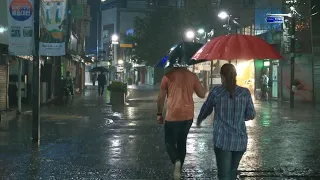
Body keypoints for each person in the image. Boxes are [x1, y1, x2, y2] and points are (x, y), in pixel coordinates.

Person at [197, 64, 255, 180]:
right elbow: (251, 114)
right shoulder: (245, 93)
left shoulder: (216, 92)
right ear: (235, 76)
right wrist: (238, 116)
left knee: (223, 175)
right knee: (232, 172)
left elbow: (206, 108)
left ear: (222, 76)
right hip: (240, 141)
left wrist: (199, 119)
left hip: (222, 140)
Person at [156, 67, 206, 180]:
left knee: (169, 142)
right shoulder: (192, 76)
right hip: (188, 116)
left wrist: (159, 114)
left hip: (172, 115)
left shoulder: (168, 76)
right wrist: (204, 86)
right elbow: (202, 94)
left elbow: (161, 98)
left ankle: (176, 161)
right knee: (182, 141)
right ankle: (179, 169)